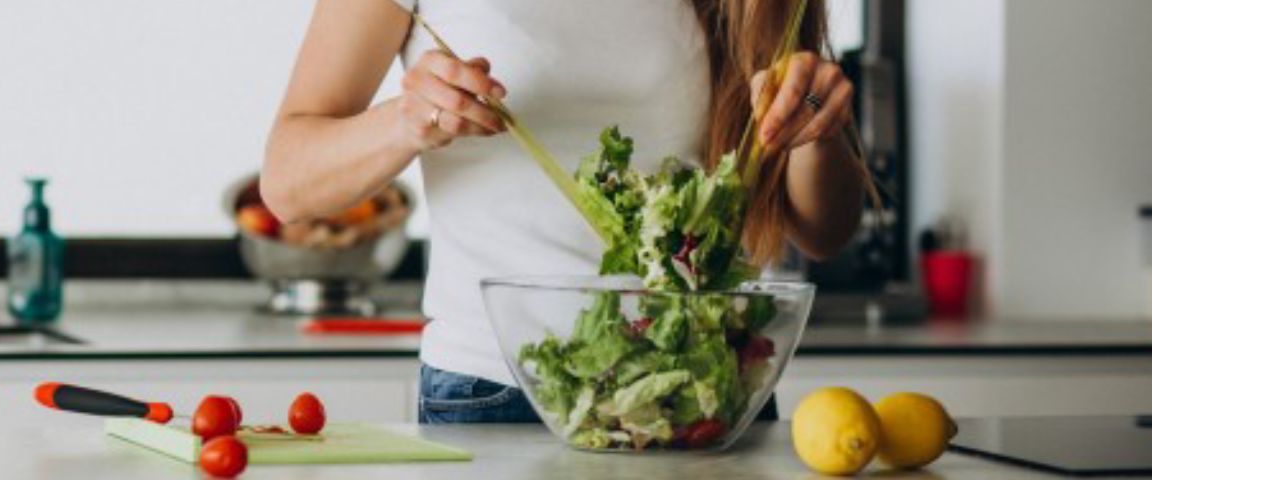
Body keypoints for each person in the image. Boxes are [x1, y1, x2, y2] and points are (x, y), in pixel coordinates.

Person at [263, 0, 866, 424]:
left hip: (711, 389)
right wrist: (406, 120)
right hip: (503, 391)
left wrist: (816, 125)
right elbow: (288, 181)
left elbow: (823, 231)